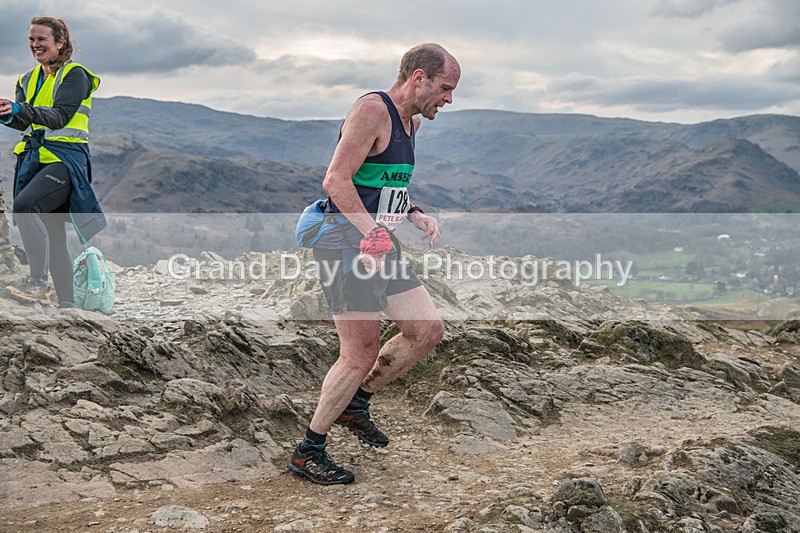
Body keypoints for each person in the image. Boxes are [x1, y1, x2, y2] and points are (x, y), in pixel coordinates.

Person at [288, 43, 460, 484]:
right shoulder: (372, 110)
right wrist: (374, 234)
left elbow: (382, 183)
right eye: (445, 88)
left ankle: (356, 403)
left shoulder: (412, 122)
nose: (449, 99)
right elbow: (336, 181)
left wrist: (414, 212)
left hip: (377, 240)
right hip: (346, 243)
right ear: (418, 77)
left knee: (426, 330)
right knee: (359, 351)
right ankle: (309, 451)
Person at [0, 16, 105, 308]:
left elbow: (58, 117)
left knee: (24, 206)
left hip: (65, 160)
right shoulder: (25, 79)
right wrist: (8, 113)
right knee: (55, 234)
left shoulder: (75, 75)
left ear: (60, 42)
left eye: (42, 39)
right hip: (36, 161)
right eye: (32, 40)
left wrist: (20, 107)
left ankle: (38, 285)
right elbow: (25, 121)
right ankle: (68, 307)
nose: (35, 45)